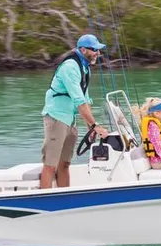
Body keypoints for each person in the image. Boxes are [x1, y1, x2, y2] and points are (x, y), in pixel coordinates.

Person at [40, 34, 109, 189]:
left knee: (64, 164)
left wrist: (89, 126)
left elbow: (86, 98)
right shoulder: (70, 67)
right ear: (83, 49)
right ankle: (45, 199)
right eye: (94, 50)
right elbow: (79, 101)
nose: (98, 53)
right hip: (56, 118)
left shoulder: (84, 68)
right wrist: (95, 125)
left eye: (99, 50)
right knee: (50, 165)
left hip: (70, 119)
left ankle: (64, 196)